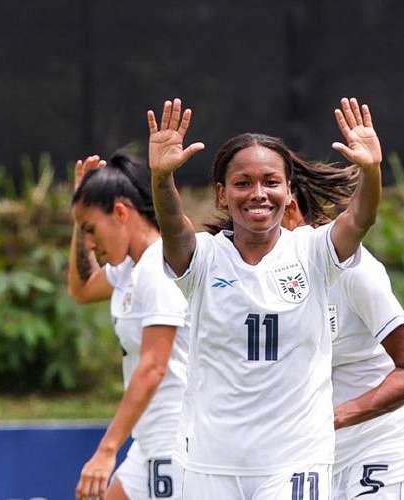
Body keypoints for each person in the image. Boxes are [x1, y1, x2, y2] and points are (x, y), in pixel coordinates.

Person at [147, 97, 382, 500]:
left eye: (271, 182)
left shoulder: (312, 252)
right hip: (210, 460)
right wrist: (162, 178)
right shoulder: (203, 258)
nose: (258, 193)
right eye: (243, 183)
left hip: (295, 458)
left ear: (289, 192)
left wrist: (371, 170)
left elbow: (360, 218)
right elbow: (172, 226)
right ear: (222, 195)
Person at [282, 194, 404, 499]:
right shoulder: (261, 282)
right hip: (318, 462)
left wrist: (334, 417)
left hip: (384, 447)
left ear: (290, 209)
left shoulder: (352, 268)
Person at [68, 153, 190, 500]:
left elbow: (153, 367)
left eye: (91, 229)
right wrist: (82, 213)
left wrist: (106, 450)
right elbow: (82, 287)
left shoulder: (159, 267)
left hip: (178, 442)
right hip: (149, 440)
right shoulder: (129, 269)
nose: (90, 242)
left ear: (121, 212)